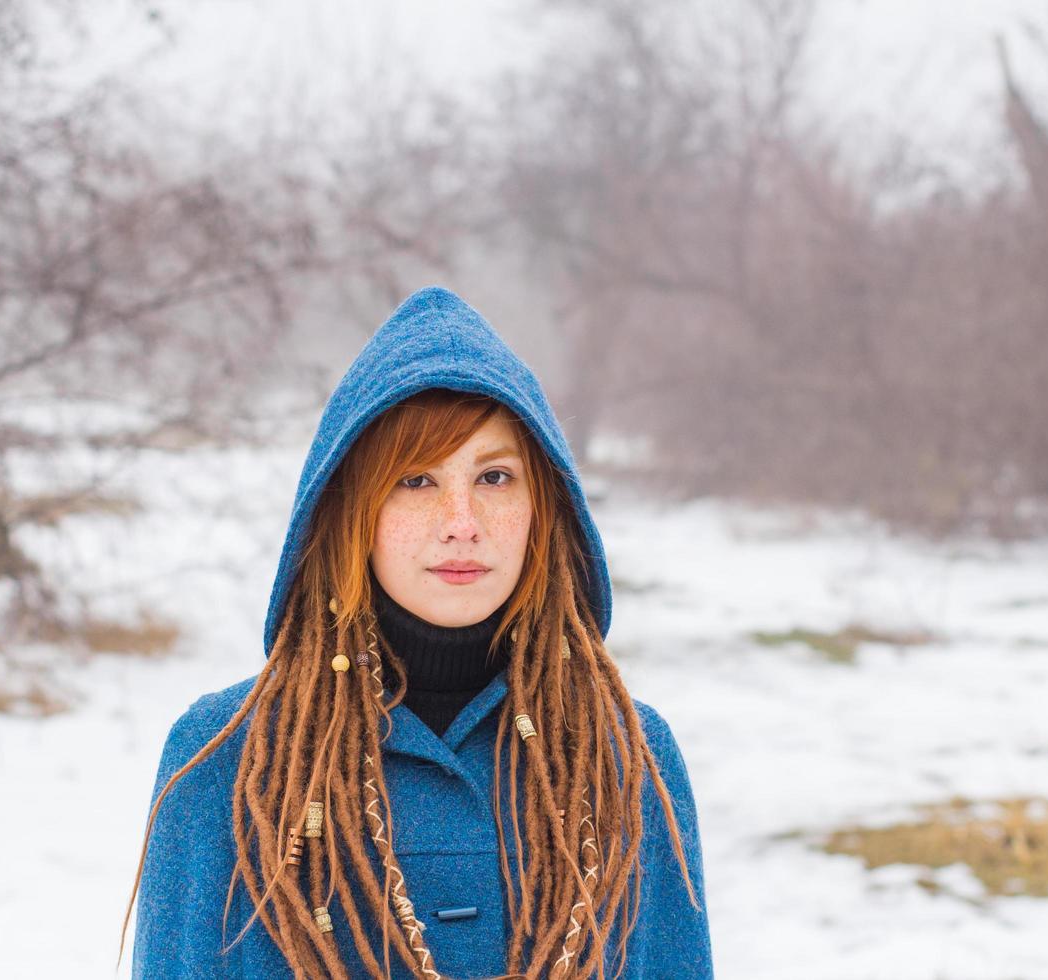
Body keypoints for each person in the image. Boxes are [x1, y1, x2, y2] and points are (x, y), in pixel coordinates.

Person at [120, 286, 713, 978]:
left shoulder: (625, 758)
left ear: (541, 509)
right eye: (415, 481)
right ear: (350, 510)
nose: (462, 520)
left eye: (494, 477)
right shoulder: (230, 760)